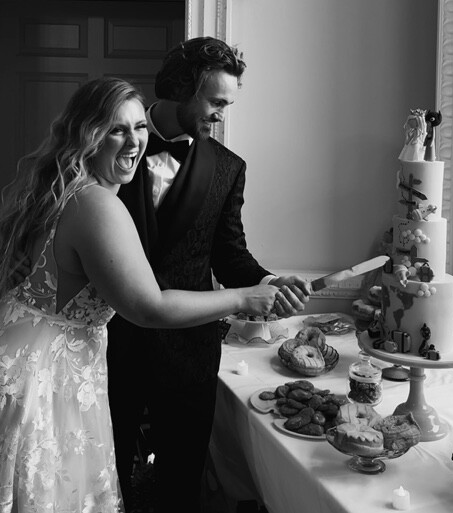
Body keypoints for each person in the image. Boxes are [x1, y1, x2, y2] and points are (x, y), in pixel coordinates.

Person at [0, 77, 279, 512]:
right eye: (117, 129)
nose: (134, 142)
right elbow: (149, 307)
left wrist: (263, 282)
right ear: (87, 134)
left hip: (34, 351)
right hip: (45, 374)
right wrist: (243, 299)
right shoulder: (96, 204)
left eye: (139, 127)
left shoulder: (60, 190)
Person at [106, 37, 312, 512]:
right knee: (104, 471)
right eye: (216, 102)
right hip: (110, 342)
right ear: (182, 87)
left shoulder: (228, 168)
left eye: (227, 104)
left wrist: (268, 283)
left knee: (181, 484)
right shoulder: (110, 146)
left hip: (189, 353)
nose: (221, 114)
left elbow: (230, 255)